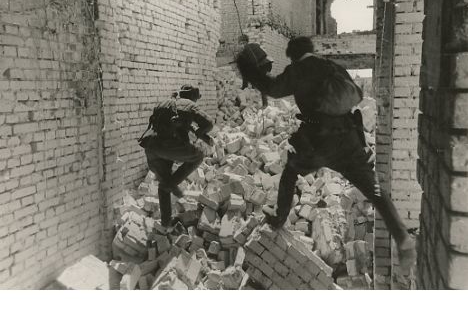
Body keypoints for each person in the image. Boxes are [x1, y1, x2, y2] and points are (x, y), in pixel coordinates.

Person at [235, 37, 416, 270]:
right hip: (349, 139)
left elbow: (273, 89)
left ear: (292, 54)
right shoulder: (333, 67)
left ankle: (280, 218)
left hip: (318, 142)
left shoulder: (297, 70)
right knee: (374, 190)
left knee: (290, 172)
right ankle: (402, 237)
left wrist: (251, 72)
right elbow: (354, 97)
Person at [138, 85, 214, 229]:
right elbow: (209, 123)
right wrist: (199, 133)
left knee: (164, 184)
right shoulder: (189, 105)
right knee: (198, 155)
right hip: (167, 146)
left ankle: (166, 224)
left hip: (150, 146)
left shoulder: (166, 103)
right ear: (193, 97)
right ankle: (172, 184)